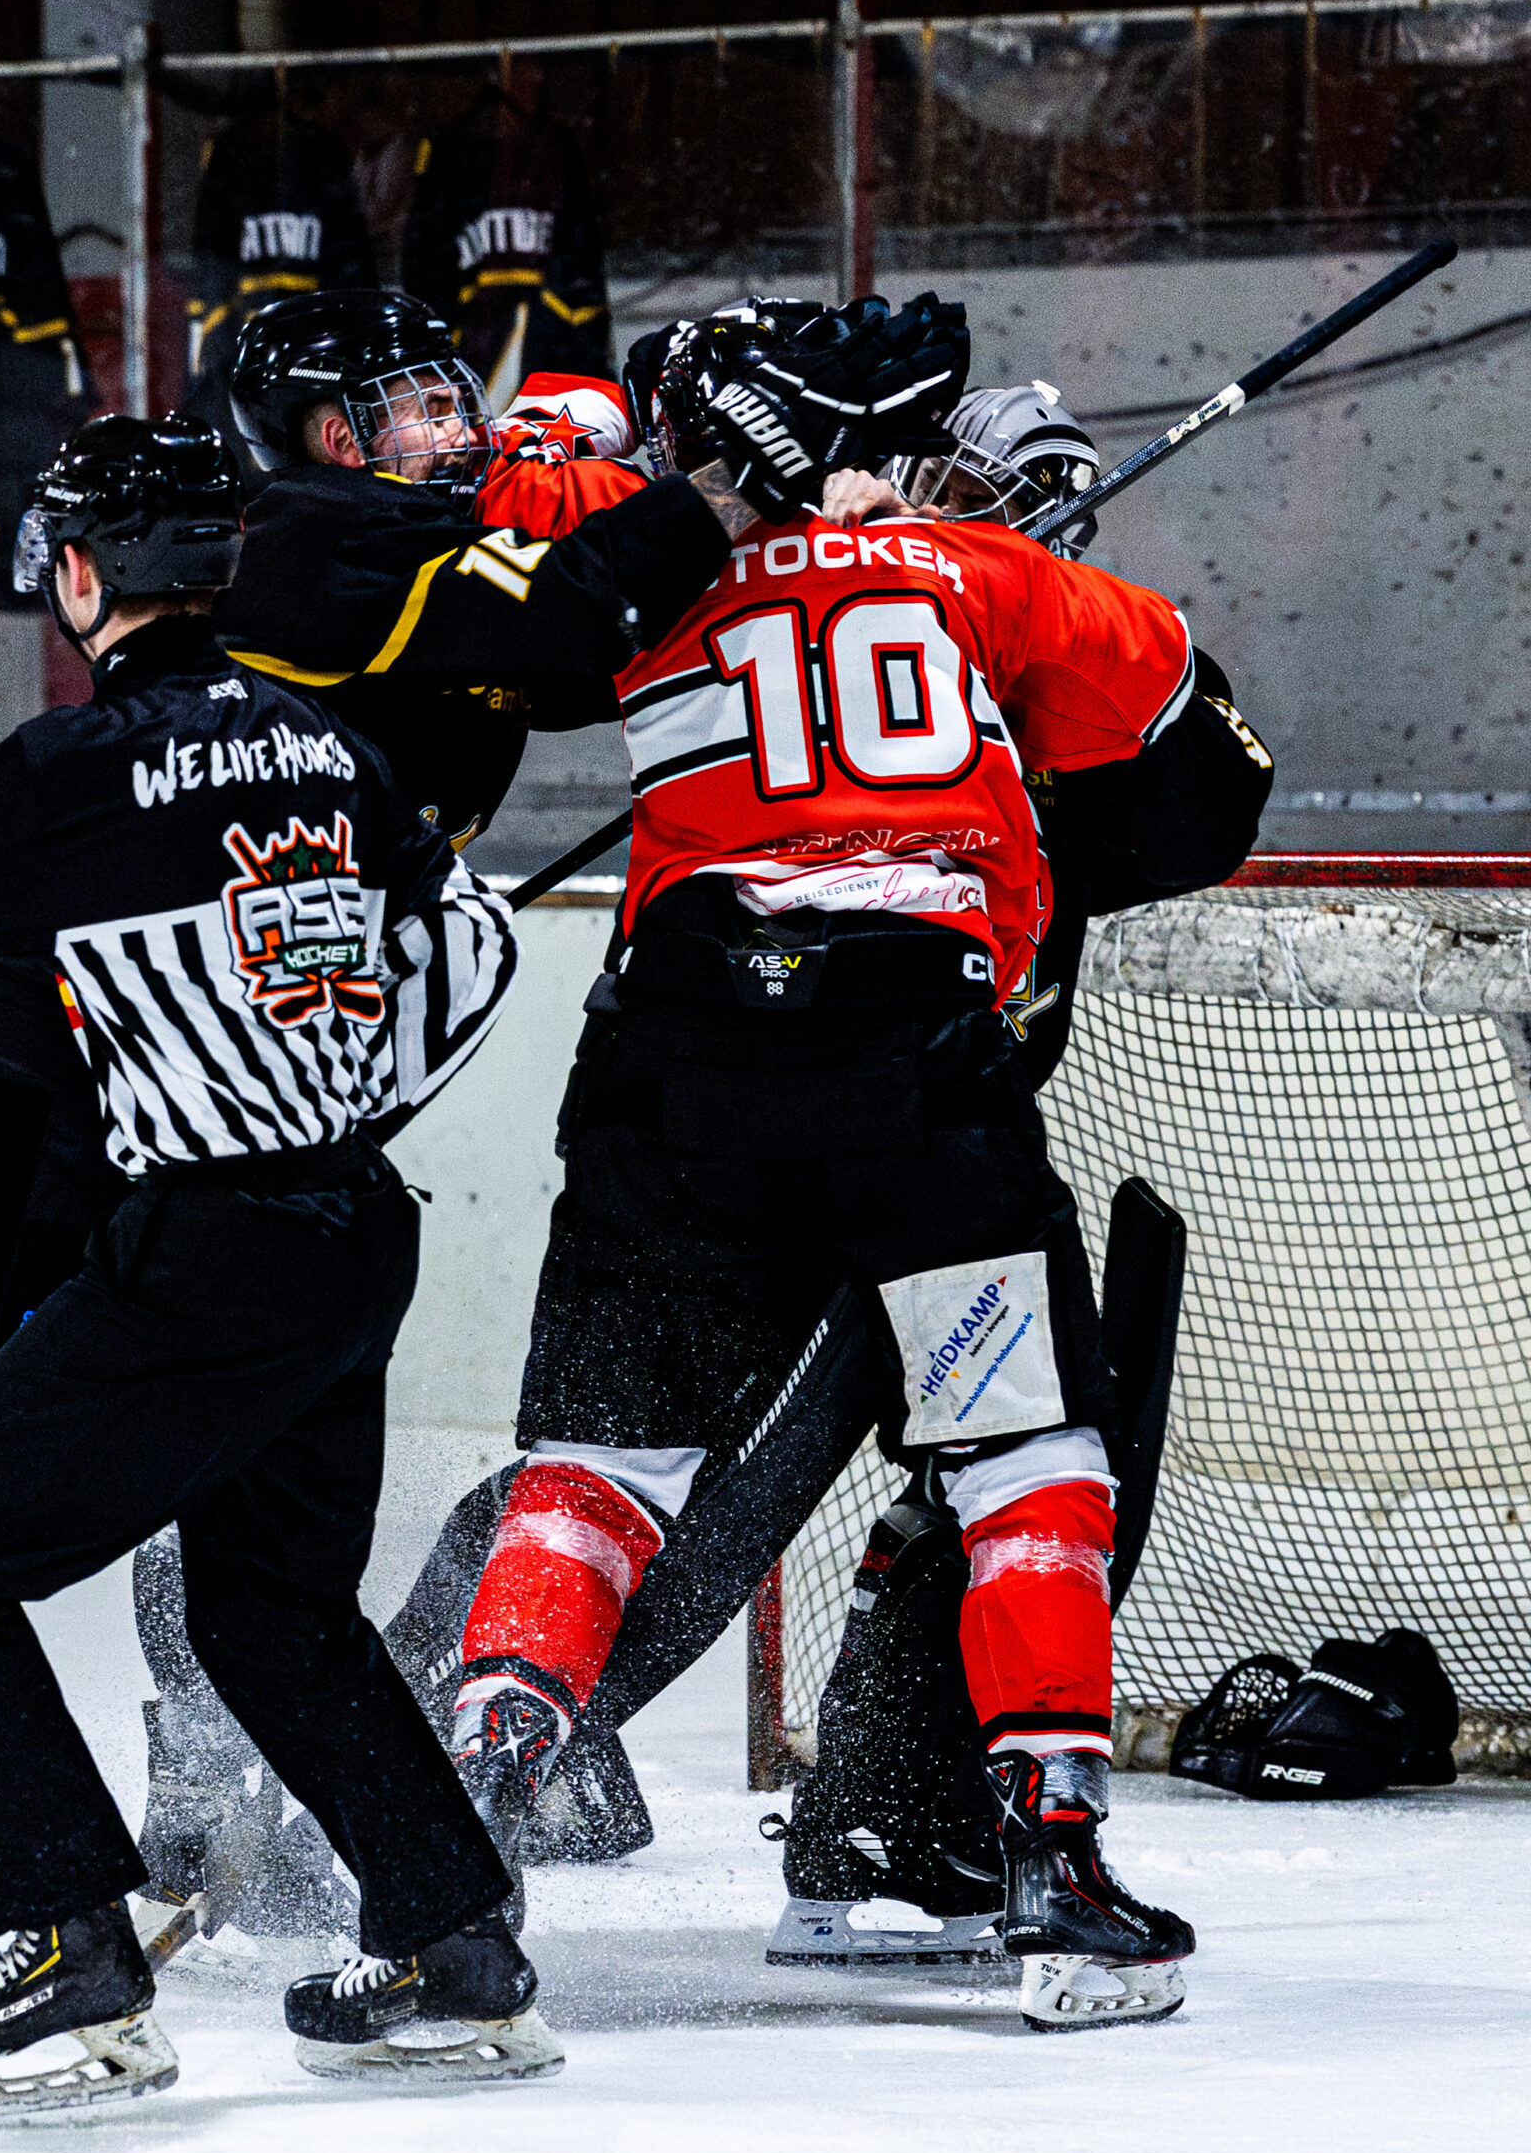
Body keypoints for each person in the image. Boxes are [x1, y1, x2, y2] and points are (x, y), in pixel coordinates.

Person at [0, 291, 743, 1996]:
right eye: (411, 407)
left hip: (247, 1071)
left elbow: (583, 633)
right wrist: (719, 473)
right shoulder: (324, 533)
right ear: (320, 436)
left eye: (452, 402)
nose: (452, 429)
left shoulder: (416, 553)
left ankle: (197, 1787)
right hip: (68, 1046)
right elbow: (579, 610)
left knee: (236, 1463)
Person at [377, 376, 1273, 1967]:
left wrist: (644, 491)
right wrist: (973, 600)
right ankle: (1045, 1850)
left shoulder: (666, 559)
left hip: (690, 1087)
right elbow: (1196, 749)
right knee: (1026, 1462)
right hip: (915, 1103)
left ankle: (478, 1829)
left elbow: (513, 516)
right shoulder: (985, 581)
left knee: (596, 1472)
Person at [0, 411, 558, 2117]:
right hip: (352, 1231)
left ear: (78, 575)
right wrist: (343, 1085)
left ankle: (67, 1952)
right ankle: (453, 1938)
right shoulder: (328, 745)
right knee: (272, 1616)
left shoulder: (76, 769)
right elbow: (474, 940)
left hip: (205, 1249)